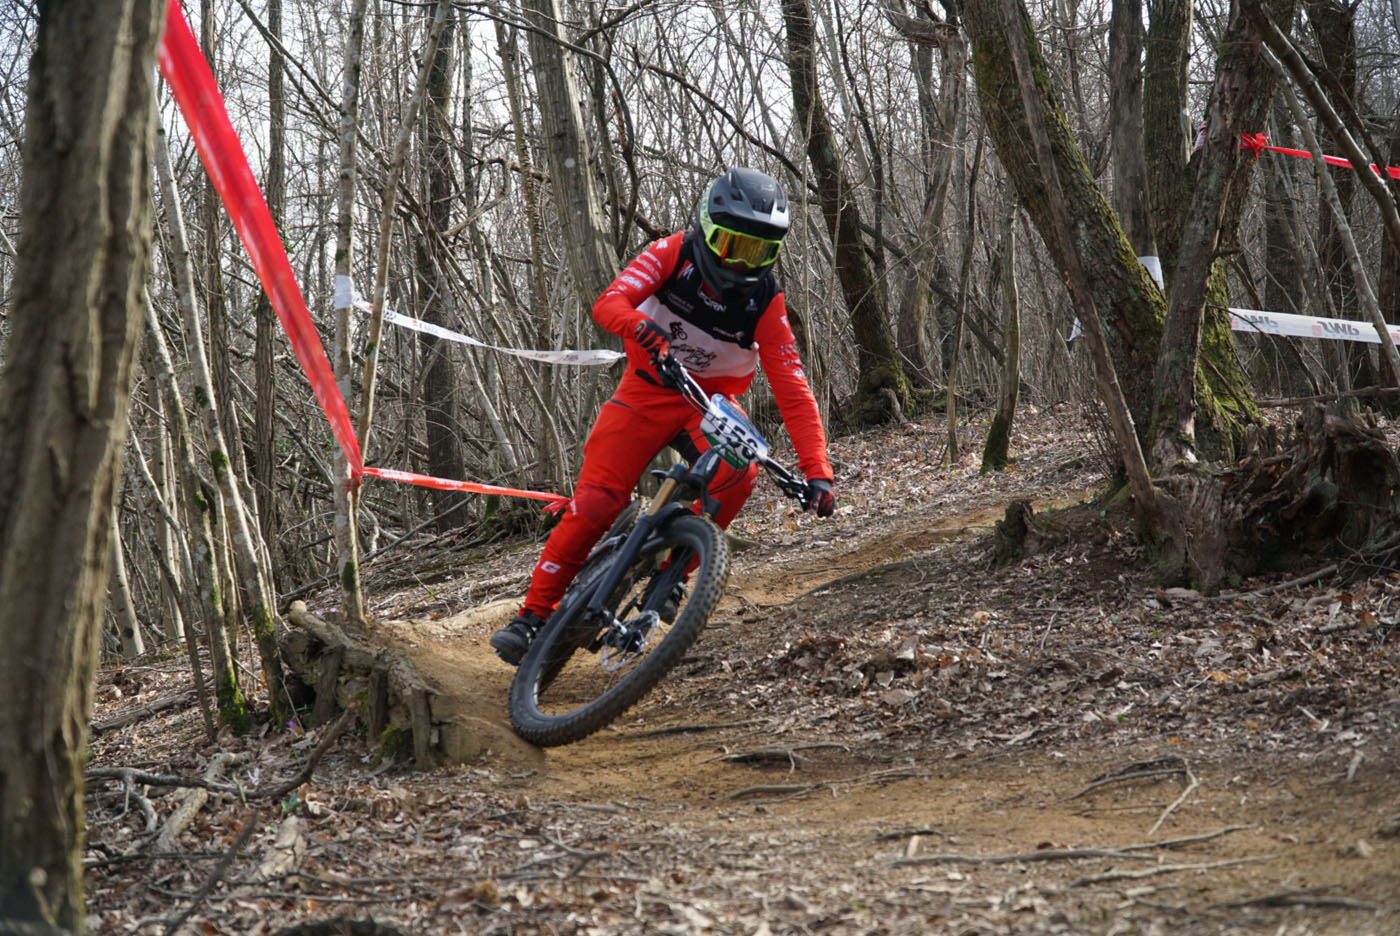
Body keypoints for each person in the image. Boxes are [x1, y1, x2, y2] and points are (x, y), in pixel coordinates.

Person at [491, 167, 838, 664]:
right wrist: (638, 326)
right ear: (707, 230)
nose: (742, 263)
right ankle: (531, 616)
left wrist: (817, 471)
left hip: (709, 405)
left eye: (758, 252)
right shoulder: (671, 254)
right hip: (646, 392)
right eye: (733, 246)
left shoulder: (766, 300)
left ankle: (676, 572)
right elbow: (609, 303)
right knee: (595, 504)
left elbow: (793, 389)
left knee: (739, 476)